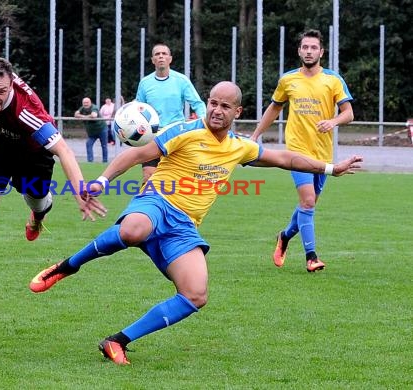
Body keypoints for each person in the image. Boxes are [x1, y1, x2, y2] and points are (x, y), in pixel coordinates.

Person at [29, 81, 362, 365]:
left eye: (224, 106)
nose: (216, 110)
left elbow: (286, 158)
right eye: (213, 103)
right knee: (133, 230)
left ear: (237, 112)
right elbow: (136, 155)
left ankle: (117, 341)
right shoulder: (185, 130)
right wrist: (101, 181)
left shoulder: (239, 147)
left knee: (195, 295)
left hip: (183, 225)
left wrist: (332, 168)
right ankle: (67, 267)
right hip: (157, 202)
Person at [0, 45, 106, 300]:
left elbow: (64, 151)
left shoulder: (27, 111)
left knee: (38, 201)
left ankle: (37, 217)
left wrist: (80, 192)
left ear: (11, 85)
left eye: (2, 92)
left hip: (32, 156)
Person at [250, 29, 354, 273]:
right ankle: (311, 257)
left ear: (321, 52)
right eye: (305, 47)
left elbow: (349, 113)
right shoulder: (288, 80)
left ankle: (284, 237)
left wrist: (333, 122)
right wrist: (255, 136)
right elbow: (274, 109)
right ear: (299, 51)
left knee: (307, 207)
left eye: (313, 48)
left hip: (323, 153)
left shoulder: (333, 80)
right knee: (307, 201)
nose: (309, 51)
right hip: (296, 151)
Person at [136, 43, 206, 183]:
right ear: (152, 60)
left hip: (176, 135)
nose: (161, 56)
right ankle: (147, 203)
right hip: (153, 136)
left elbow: (197, 104)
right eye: (157, 54)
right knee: (149, 176)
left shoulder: (181, 80)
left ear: (170, 59)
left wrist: (205, 124)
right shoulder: (145, 83)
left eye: (164, 53)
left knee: (176, 179)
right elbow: (139, 109)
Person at [75, 97, 108, 163]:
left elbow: (94, 115)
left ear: (90, 103)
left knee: (104, 145)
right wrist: (85, 117)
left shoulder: (94, 107)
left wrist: (83, 117)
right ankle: (90, 161)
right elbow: (76, 114)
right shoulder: (82, 108)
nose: (85, 104)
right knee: (88, 144)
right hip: (92, 133)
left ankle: (105, 161)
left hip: (101, 130)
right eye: (84, 103)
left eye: (87, 102)